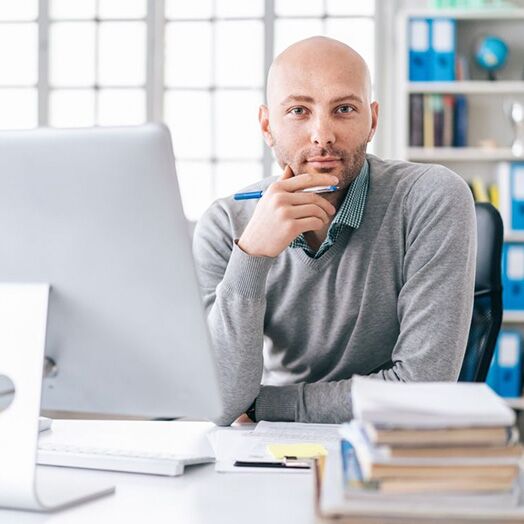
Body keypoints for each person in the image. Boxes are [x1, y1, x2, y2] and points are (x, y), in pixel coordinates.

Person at [193, 36, 476, 425]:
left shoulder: (430, 196)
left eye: (343, 109)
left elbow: (421, 387)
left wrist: (261, 405)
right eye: (298, 111)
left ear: (372, 119)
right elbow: (220, 402)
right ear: (266, 124)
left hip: (386, 443)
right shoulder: (226, 225)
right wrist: (252, 257)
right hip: (262, 449)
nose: (322, 135)